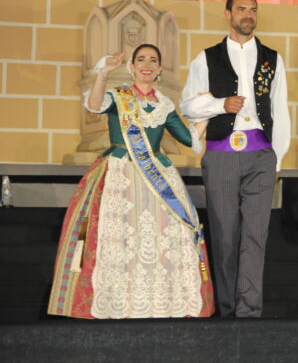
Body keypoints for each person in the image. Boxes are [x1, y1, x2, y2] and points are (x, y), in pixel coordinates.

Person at [49, 45, 214, 319]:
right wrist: (103, 73)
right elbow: (93, 105)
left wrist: (206, 112)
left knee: (162, 238)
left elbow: (190, 141)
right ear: (132, 67)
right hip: (120, 174)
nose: (147, 64)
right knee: (121, 237)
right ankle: (121, 302)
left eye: (153, 60)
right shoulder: (119, 97)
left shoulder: (164, 104)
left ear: (160, 69)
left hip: (157, 175)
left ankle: (161, 303)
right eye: (141, 60)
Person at [181, 0, 290, 317]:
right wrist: (219, 104)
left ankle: (249, 312)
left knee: (256, 237)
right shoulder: (207, 57)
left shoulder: (272, 58)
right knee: (226, 237)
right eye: (242, 9)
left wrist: (278, 160)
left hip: (260, 154)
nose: (248, 15)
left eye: (253, 10)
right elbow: (188, 104)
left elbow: (280, 110)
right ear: (228, 13)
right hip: (221, 154)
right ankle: (228, 310)